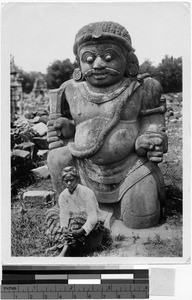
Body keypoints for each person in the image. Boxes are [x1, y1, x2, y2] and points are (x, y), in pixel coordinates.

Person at [47, 21, 168, 234]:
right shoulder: (70, 90)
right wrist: (65, 128)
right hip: (83, 168)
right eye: (89, 59)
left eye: (109, 57)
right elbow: (75, 127)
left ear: (129, 61)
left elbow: (153, 126)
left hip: (130, 167)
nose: (99, 64)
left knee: (142, 220)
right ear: (78, 63)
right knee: (57, 156)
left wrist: (148, 140)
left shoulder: (142, 88)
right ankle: (73, 207)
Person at [57, 166, 104, 256]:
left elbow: (93, 216)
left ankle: (65, 250)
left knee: (76, 217)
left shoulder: (87, 192)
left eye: (72, 180)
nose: (69, 183)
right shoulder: (63, 195)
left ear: (77, 179)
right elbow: (64, 214)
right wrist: (64, 228)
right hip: (73, 227)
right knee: (52, 214)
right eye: (66, 181)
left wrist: (79, 232)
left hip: (90, 229)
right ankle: (67, 244)